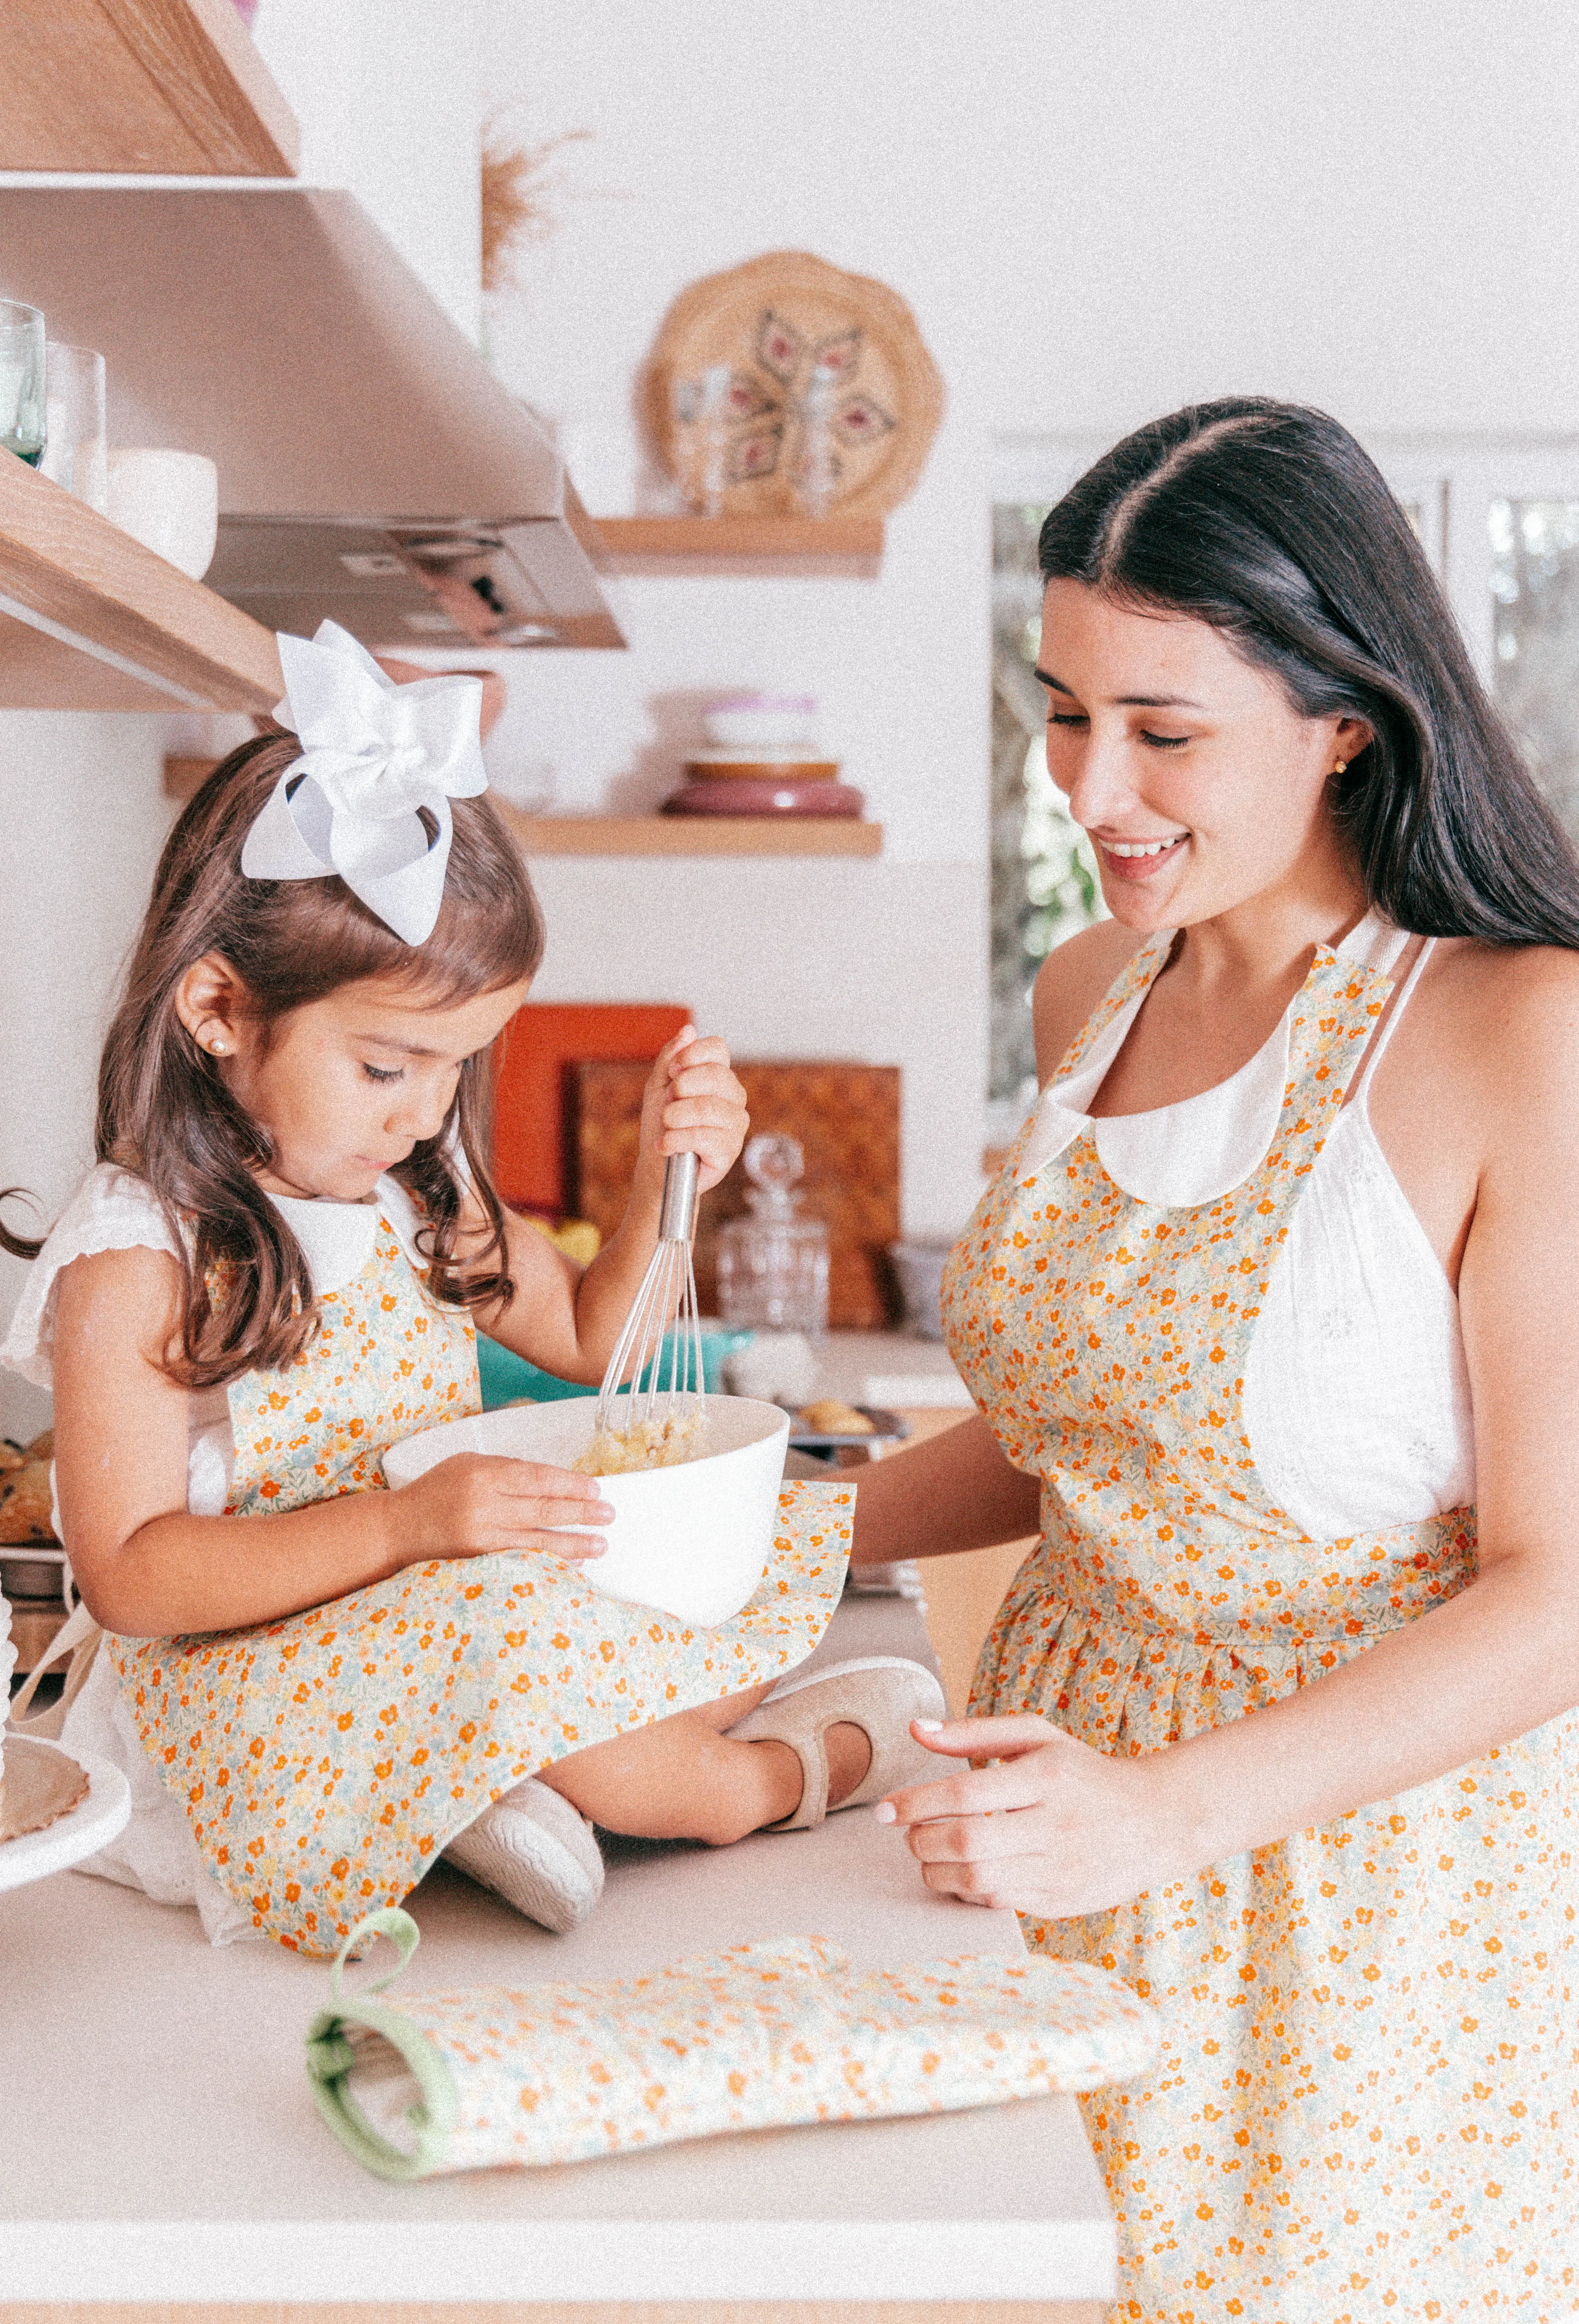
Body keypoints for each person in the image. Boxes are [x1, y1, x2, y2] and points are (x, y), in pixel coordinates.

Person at [855, 401, 1579, 2324]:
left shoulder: (1512, 1031)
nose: (1093, 786)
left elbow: (1557, 1594)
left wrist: (1167, 1816)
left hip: (1348, 1899)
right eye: (1061, 709)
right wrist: (731, 1527)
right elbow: (1069, 1437)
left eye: (1163, 730)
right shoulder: (1092, 994)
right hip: (1044, 1810)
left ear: (1344, 714)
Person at [0, 623, 941, 1952]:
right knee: (598, 1714)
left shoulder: (407, 1188)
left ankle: (491, 1792)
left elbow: (590, 1337)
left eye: (458, 1066)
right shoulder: (138, 1257)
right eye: (389, 1067)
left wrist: (664, 1179)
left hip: (426, 1616)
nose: (428, 1111)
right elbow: (135, 1580)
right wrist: (408, 1528)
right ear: (218, 1009)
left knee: (660, 1595)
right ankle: (777, 1782)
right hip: (239, 1697)